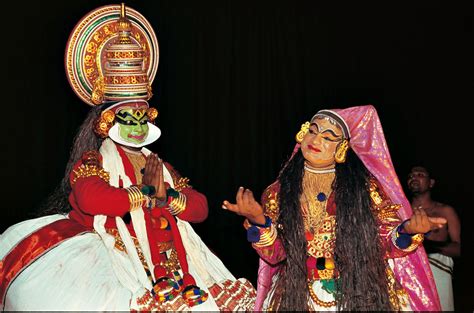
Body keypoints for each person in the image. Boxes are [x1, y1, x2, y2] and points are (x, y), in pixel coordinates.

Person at [0, 4, 255, 311]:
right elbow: (92, 199)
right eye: (127, 118)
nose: (136, 125)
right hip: (116, 257)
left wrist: (168, 196)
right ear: (107, 122)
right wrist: (145, 193)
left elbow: (199, 208)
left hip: (174, 262)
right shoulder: (94, 162)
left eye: (141, 116)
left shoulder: (161, 166)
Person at [223, 105, 446, 311]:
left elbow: (384, 242)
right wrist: (258, 221)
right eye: (313, 131)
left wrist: (408, 230)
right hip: (296, 295)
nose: (316, 139)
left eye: (328, 137)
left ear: (342, 148)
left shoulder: (363, 189)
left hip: (358, 293)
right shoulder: (279, 191)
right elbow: (276, 254)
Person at [407, 165, 461, 311]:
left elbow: (458, 248)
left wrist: (428, 246)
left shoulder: (445, 211)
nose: (414, 177)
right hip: (407, 273)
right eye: (411, 175)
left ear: (431, 183)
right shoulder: (401, 212)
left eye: (420, 175)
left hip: (437, 271)